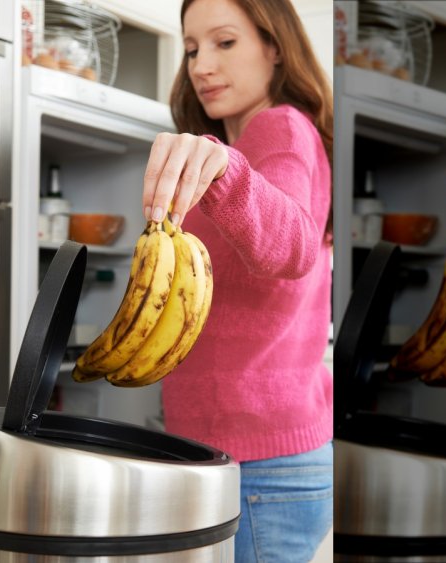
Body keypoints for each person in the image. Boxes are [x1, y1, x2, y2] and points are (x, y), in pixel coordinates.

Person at [140, 0, 333, 560]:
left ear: (275, 47)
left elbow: (292, 242)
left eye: (225, 42)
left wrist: (224, 169)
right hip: (234, 455)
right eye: (192, 47)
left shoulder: (281, 128)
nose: (201, 65)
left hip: (261, 466)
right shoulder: (245, 145)